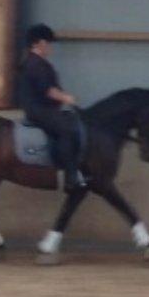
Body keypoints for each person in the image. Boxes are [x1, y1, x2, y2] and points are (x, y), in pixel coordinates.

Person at [19, 23, 86, 191]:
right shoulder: (36, 64)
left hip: (45, 109)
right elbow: (48, 91)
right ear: (38, 43)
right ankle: (70, 177)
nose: (49, 46)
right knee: (67, 129)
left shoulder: (37, 63)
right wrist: (67, 98)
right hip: (39, 110)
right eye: (47, 42)